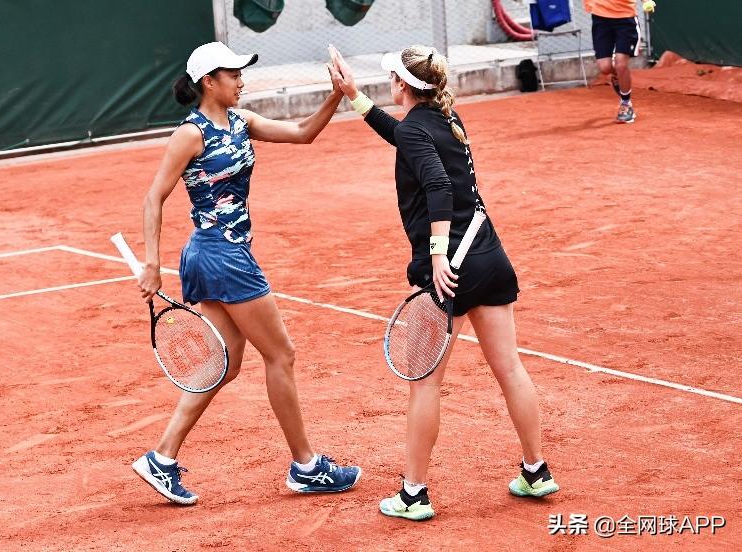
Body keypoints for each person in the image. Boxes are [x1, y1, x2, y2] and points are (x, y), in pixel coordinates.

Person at [327, 45, 559, 521]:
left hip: (449, 271)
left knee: (425, 385)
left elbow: (437, 185)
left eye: (391, 78)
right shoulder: (446, 120)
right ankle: (536, 471)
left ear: (401, 84)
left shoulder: (417, 129)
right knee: (510, 368)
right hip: (489, 257)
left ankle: (413, 494)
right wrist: (354, 96)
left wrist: (436, 254)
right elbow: (402, 136)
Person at [131, 41, 361, 505]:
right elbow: (153, 198)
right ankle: (306, 466)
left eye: (241, 73)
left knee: (226, 364)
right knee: (281, 355)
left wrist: (336, 95)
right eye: (233, 74)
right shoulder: (190, 134)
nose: (241, 80)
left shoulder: (242, 122)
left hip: (217, 256)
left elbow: (302, 132)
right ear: (208, 82)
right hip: (223, 256)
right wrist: (152, 263)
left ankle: (161, 457)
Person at [584, 0, 656, 123]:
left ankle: (626, 104)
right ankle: (617, 74)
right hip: (600, 19)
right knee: (605, 68)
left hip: (625, 18)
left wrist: (646, 1)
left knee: (621, 64)